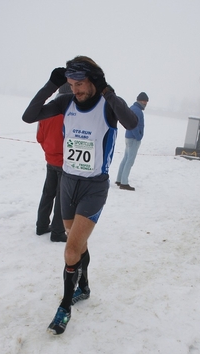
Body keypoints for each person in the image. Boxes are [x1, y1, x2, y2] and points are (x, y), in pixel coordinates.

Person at [22, 55, 138, 335]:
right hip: (67, 182)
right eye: (71, 84)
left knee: (71, 248)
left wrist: (108, 91)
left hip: (94, 187)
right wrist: (52, 84)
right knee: (78, 242)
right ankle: (83, 286)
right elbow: (29, 116)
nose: (76, 90)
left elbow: (131, 122)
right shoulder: (66, 102)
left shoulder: (107, 106)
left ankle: (64, 306)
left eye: (81, 83)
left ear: (95, 81)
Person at [36, 83, 72, 243]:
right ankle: (57, 232)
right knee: (61, 197)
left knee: (48, 193)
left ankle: (42, 225)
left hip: (50, 159)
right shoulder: (70, 112)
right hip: (64, 162)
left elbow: (39, 137)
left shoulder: (47, 111)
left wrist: (49, 150)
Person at [115, 92, 149, 191]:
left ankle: (119, 179)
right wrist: (138, 136)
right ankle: (124, 183)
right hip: (133, 138)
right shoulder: (138, 111)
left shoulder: (132, 108)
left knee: (125, 159)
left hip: (128, 137)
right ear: (140, 100)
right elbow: (134, 125)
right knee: (130, 160)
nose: (146, 103)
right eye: (145, 101)